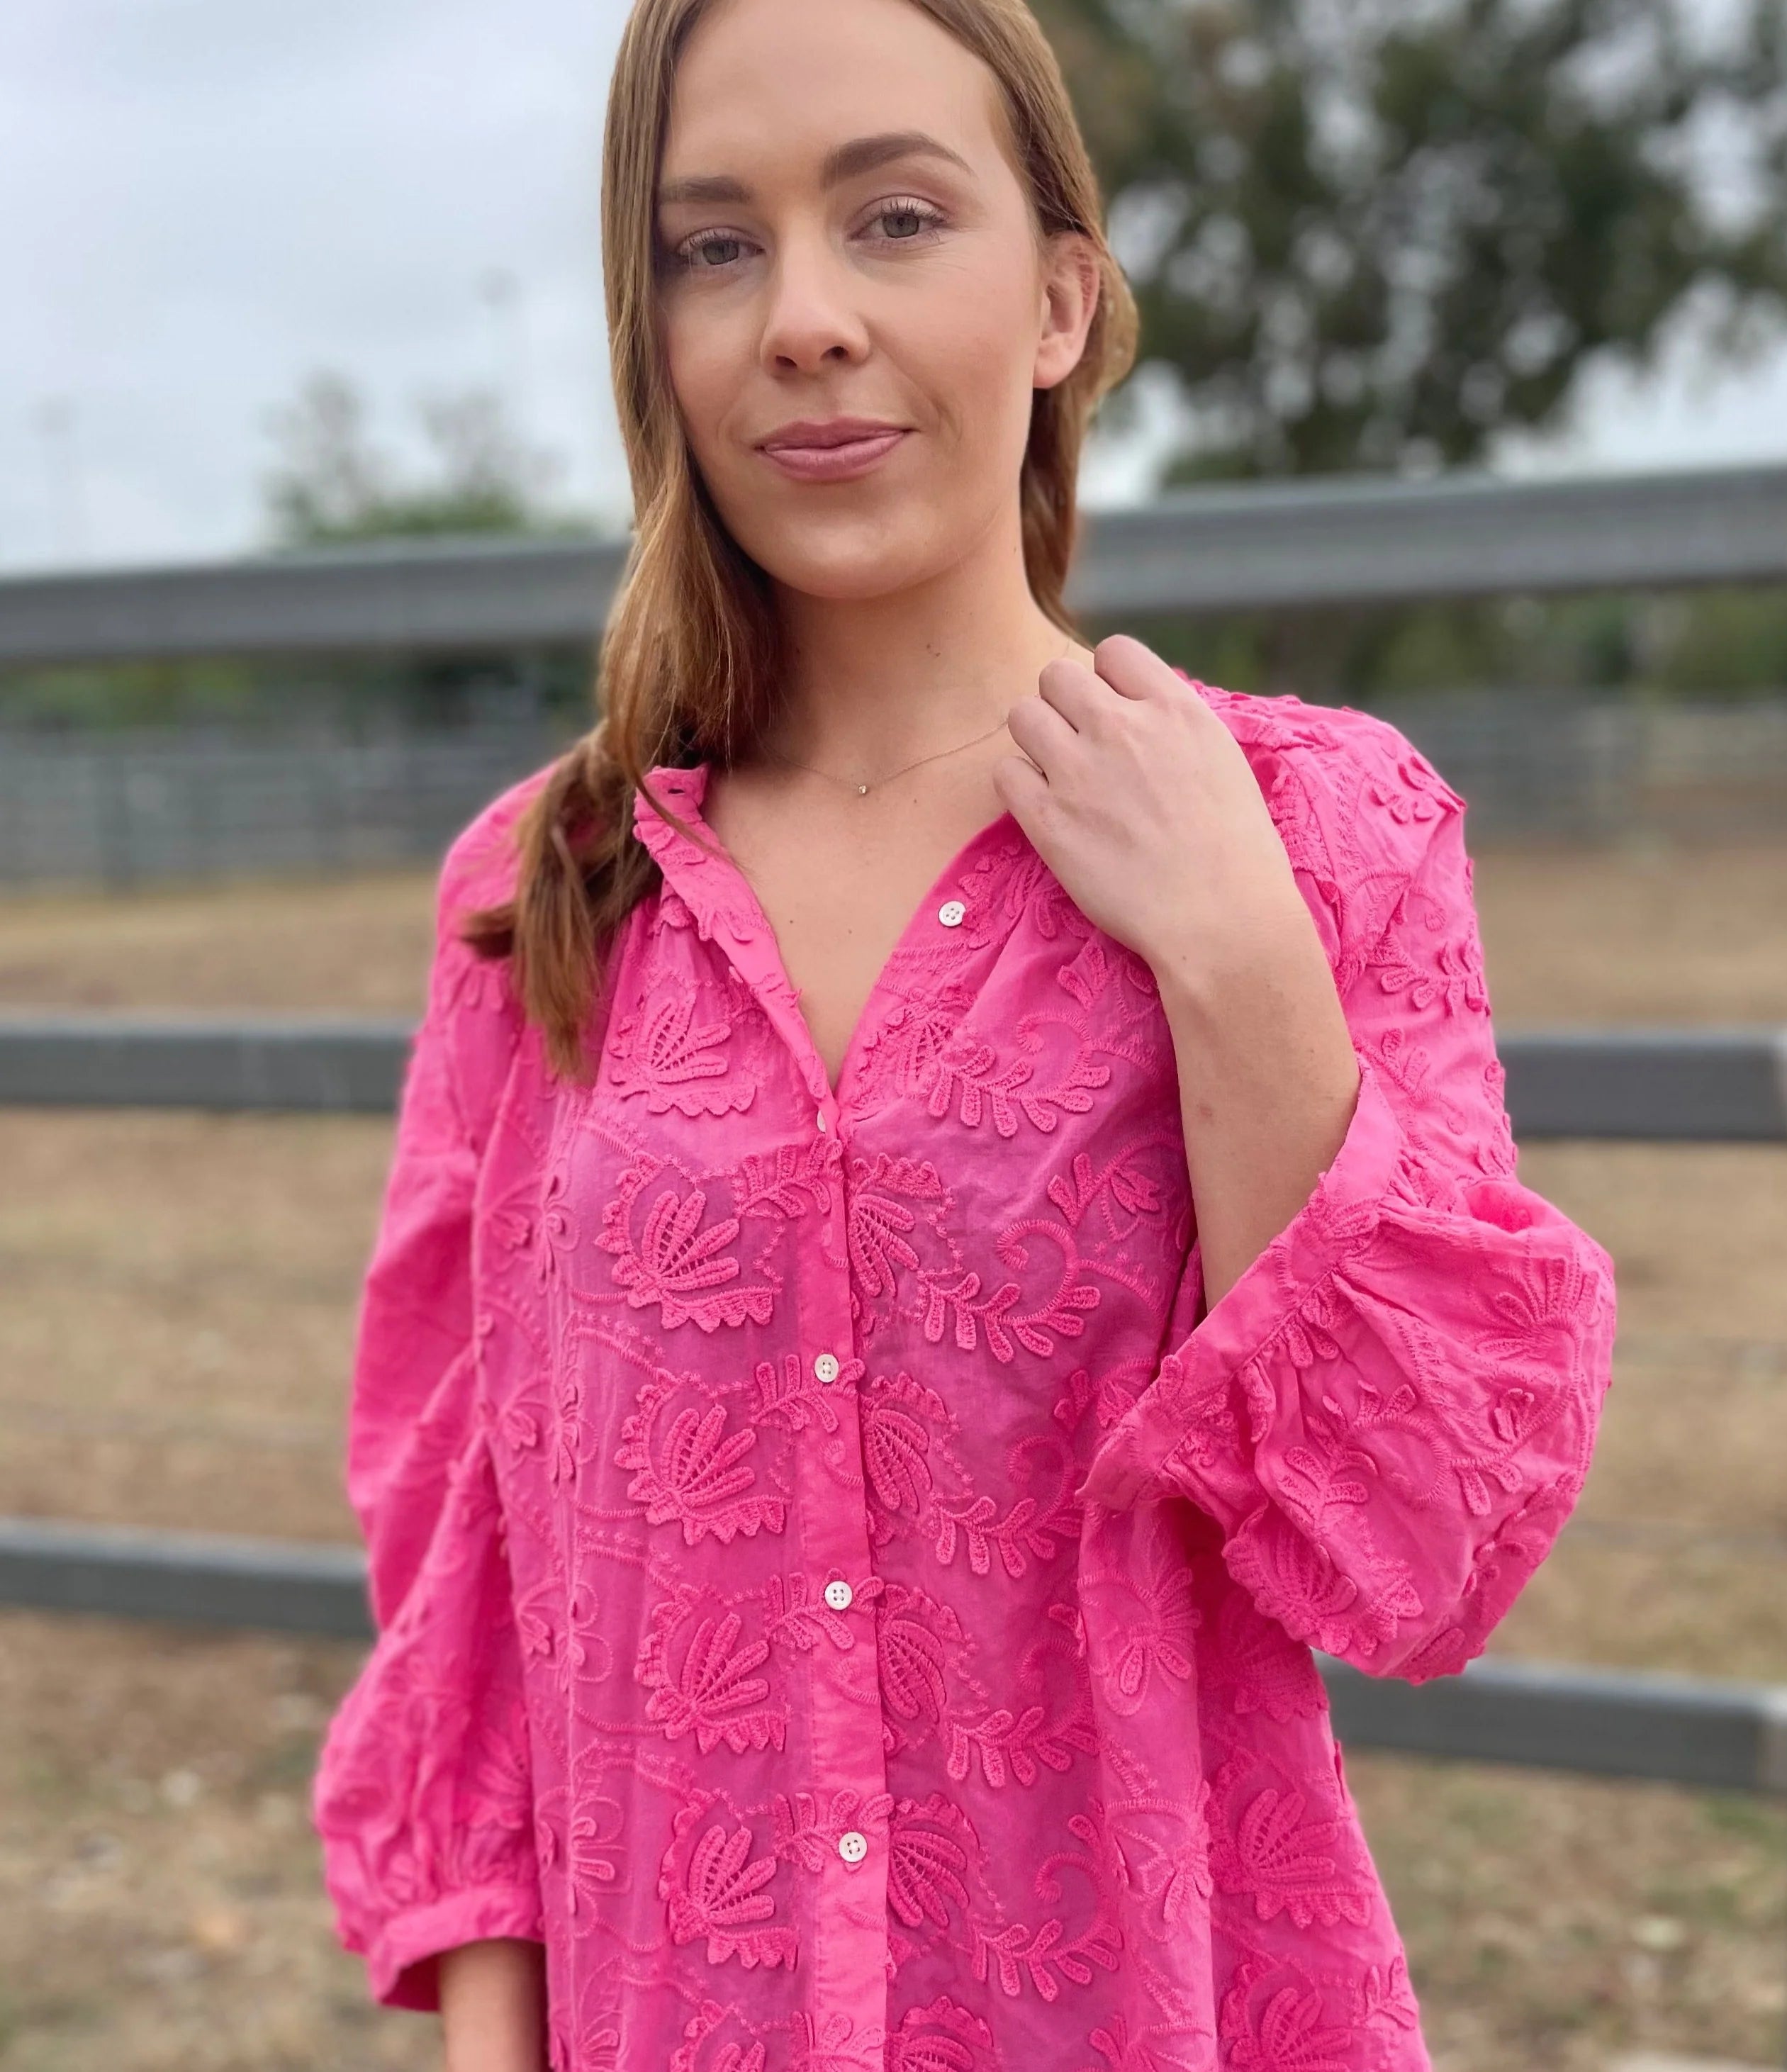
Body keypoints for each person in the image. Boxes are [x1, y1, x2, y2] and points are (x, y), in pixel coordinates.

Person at [309, 0, 1618, 2066]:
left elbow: (1426, 1550)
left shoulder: (1311, 833)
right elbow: (463, 1560)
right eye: (711, 247)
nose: (802, 318)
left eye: (896, 219)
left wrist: (1237, 966)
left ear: (1060, 300)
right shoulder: (544, 884)